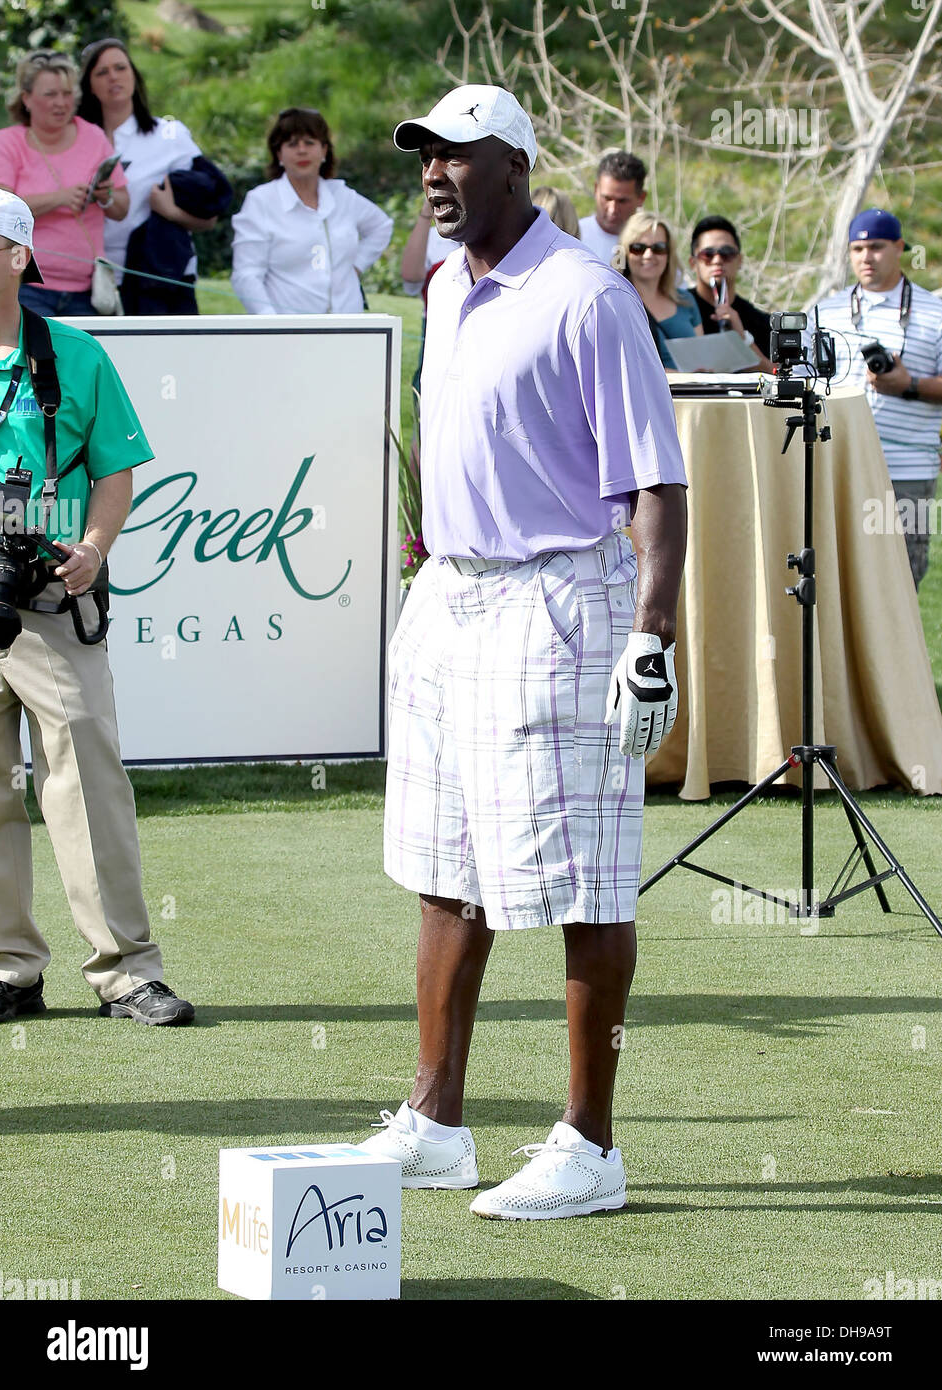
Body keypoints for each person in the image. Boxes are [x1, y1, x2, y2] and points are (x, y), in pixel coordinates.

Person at [360, 85, 687, 1220]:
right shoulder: (448, 285)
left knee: (582, 873)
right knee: (447, 866)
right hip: (449, 599)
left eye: (455, 157)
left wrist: (653, 633)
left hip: (561, 600)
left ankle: (589, 1145)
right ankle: (437, 1122)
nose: (435, 176)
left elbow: (656, 480)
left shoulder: (589, 296)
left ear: (515, 167)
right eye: (423, 161)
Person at [0, 190, 194, 1027]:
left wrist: (94, 546)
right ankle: (9, 970)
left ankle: (125, 971)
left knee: (87, 782)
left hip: (45, 596)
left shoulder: (74, 355)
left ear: (17, 256)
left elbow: (116, 468)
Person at [813, 208, 942, 589]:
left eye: (877, 247)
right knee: (835, 578)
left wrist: (910, 384)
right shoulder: (826, 310)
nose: (866, 257)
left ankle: (901, 652)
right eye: (857, 248)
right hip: (836, 465)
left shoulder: (936, 312)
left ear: (900, 247)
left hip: (907, 470)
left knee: (901, 577)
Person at [79, 37, 226, 315]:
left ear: (134, 75)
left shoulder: (170, 135)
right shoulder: (74, 140)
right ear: (89, 85)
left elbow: (210, 215)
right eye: (102, 72)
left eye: (121, 68)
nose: (113, 77)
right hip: (89, 281)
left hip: (162, 279)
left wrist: (171, 211)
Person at [0, 50, 127, 317]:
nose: (61, 103)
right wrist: (61, 198)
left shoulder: (93, 136)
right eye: (50, 94)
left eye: (67, 94)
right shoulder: (7, 143)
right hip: (26, 286)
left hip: (88, 290)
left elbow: (122, 207)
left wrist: (106, 196)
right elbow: (2, 215)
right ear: (26, 99)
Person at [231, 107, 393, 314]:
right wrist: (270, 324)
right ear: (278, 153)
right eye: (292, 144)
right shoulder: (260, 201)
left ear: (324, 150)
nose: (301, 150)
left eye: (309, 142)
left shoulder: (343, 196)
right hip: (289, 333)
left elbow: (381, 226)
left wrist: (355, 267)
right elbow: (246, 275)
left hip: (349, 327)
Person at [614, 210, 701, 370]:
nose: (648, 255)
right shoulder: (616, 304)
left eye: (658, 248)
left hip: (695, 394)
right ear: (625, 253)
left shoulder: (686, 301)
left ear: (669, 255)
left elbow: (702, 358)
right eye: (638, 248)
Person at [687, 215, 773, 371]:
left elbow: (775, 375)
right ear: (693, 263)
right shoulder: (676, 310)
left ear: (739, 260)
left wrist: (743, 339)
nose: (717, 260)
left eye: (726, 253)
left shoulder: (759, 321)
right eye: (708, 254)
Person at [577, 151, 646, 264]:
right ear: (596, 189)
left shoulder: (654, 248)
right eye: (607, 198)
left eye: (622, 201)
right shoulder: (574, 237)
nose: (612, 209)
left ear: (641, 198)